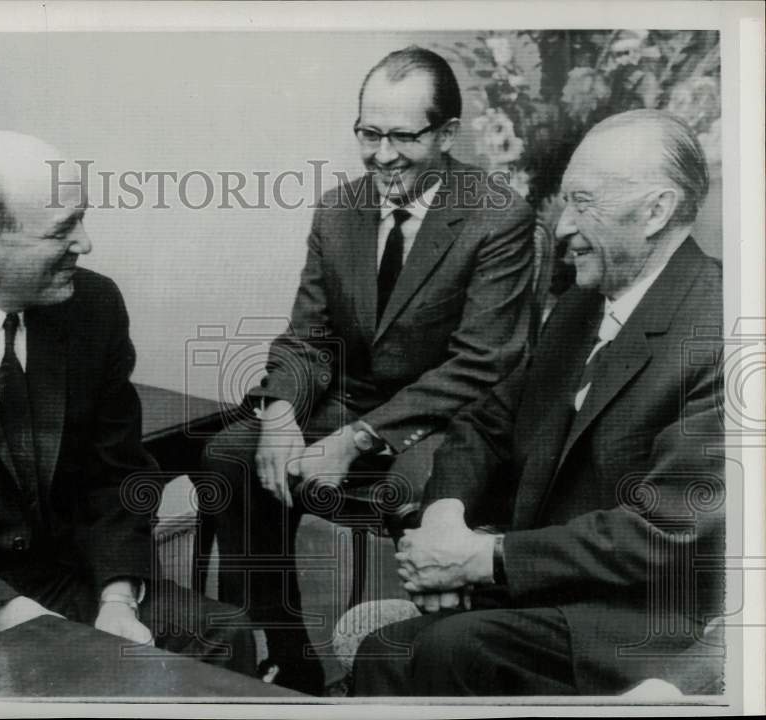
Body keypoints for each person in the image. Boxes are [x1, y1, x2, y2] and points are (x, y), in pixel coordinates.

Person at [198, 46, 536, 693]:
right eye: (369, 133)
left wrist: (355, 440)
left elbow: (482, 365)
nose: (382, 155)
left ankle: (418, 663)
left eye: (403, 137)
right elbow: (308, 338)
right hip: (346, 402)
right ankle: (284, 652)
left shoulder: (498, 217)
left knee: (417, 491)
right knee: (232, 453)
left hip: (442, 420)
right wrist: (280, 412)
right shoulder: (338, 209)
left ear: (446, 134)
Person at [353, 109, 725, 696]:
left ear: (655, 210)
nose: (560, 228)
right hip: (551, 591)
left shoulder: (723, 326)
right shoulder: (579, 309)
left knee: (455, 650)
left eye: (582, 203)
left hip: (654, 621)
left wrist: (484, 559)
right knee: (385, 652)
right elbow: (485, 422)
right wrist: (445, 520)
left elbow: (666, 529)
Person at [0, 131, 255, 678]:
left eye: (81, 219)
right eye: (62, 229)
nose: (85, 243)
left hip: (59, 577)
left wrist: (118, 599)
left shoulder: (94, 306)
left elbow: (115, 474)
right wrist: (6, 610)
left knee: (219, 637)